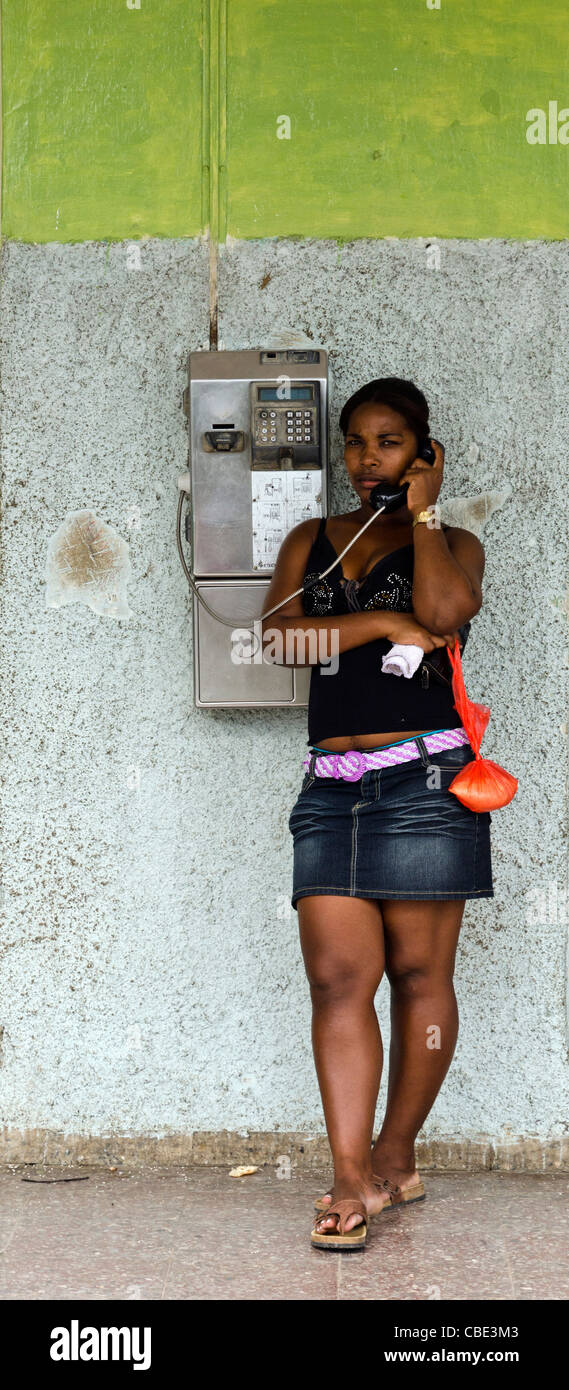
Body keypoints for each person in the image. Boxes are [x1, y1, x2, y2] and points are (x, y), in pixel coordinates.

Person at [261, 377, 493, 1250]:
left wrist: (424, 517)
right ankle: (349, 1176)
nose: (368, 460)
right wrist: (377, 623)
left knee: (419, 982)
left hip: (425, 782)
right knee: (335, 980)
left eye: (389, 443)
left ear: (424, 453)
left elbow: (445, 612)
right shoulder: (312, 539)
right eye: (356, 443)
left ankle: (395, 1158)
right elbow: (280, 636)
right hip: (331, 787)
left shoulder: (455, 541)